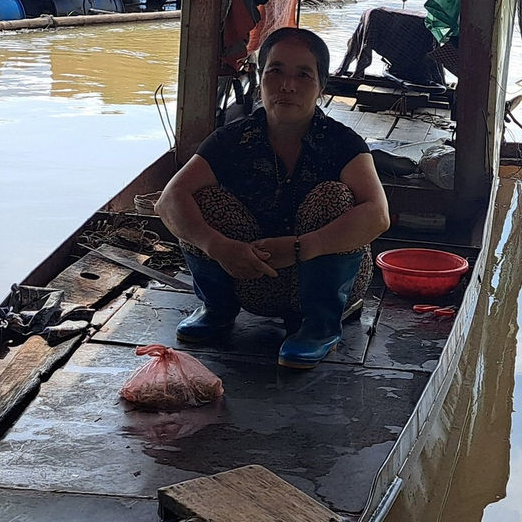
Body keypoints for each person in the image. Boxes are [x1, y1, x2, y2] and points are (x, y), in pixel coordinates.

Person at [157, 27, 393, 369]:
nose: (288, 85)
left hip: (325, 285)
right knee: (203, 199)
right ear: (259, 76)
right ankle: (217, 309)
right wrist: (217, 246)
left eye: (303, 75)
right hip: (249, 278)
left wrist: (302, 246)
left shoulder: (342, 142)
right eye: (276, 71)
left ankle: (320, 327)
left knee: (334, 197)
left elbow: (378, 214)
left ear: (321, 86)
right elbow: (169, 199)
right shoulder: (231, 140)